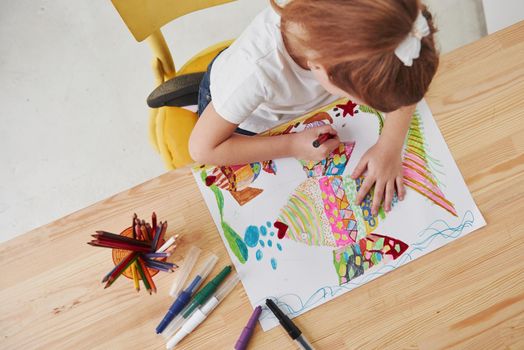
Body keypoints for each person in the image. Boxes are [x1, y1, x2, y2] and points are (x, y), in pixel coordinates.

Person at [189, 0, 438, 216]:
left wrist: (390, 145)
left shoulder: (389, 26)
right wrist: (292, 145)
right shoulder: (254, 72)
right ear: (321, 68)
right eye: (363, 99)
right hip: (248, 124)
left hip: (303, 110)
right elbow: (203, 149)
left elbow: (404, 80)